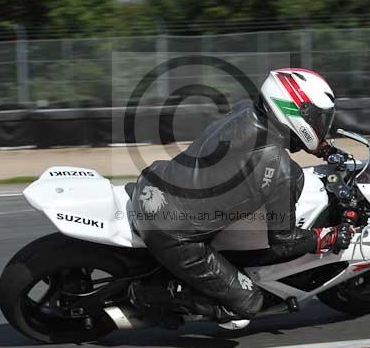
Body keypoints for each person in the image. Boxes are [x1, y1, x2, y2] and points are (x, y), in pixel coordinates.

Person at [130, 68, 353, 328]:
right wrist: (327, 237)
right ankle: (150, 295)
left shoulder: (245, 110)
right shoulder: (276, 165)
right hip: (172, 232)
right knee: (248, 304)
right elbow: (283, 242)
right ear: (296, 112)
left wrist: (320, 147)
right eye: (317, 118)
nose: (321, 126)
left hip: (154, 182)